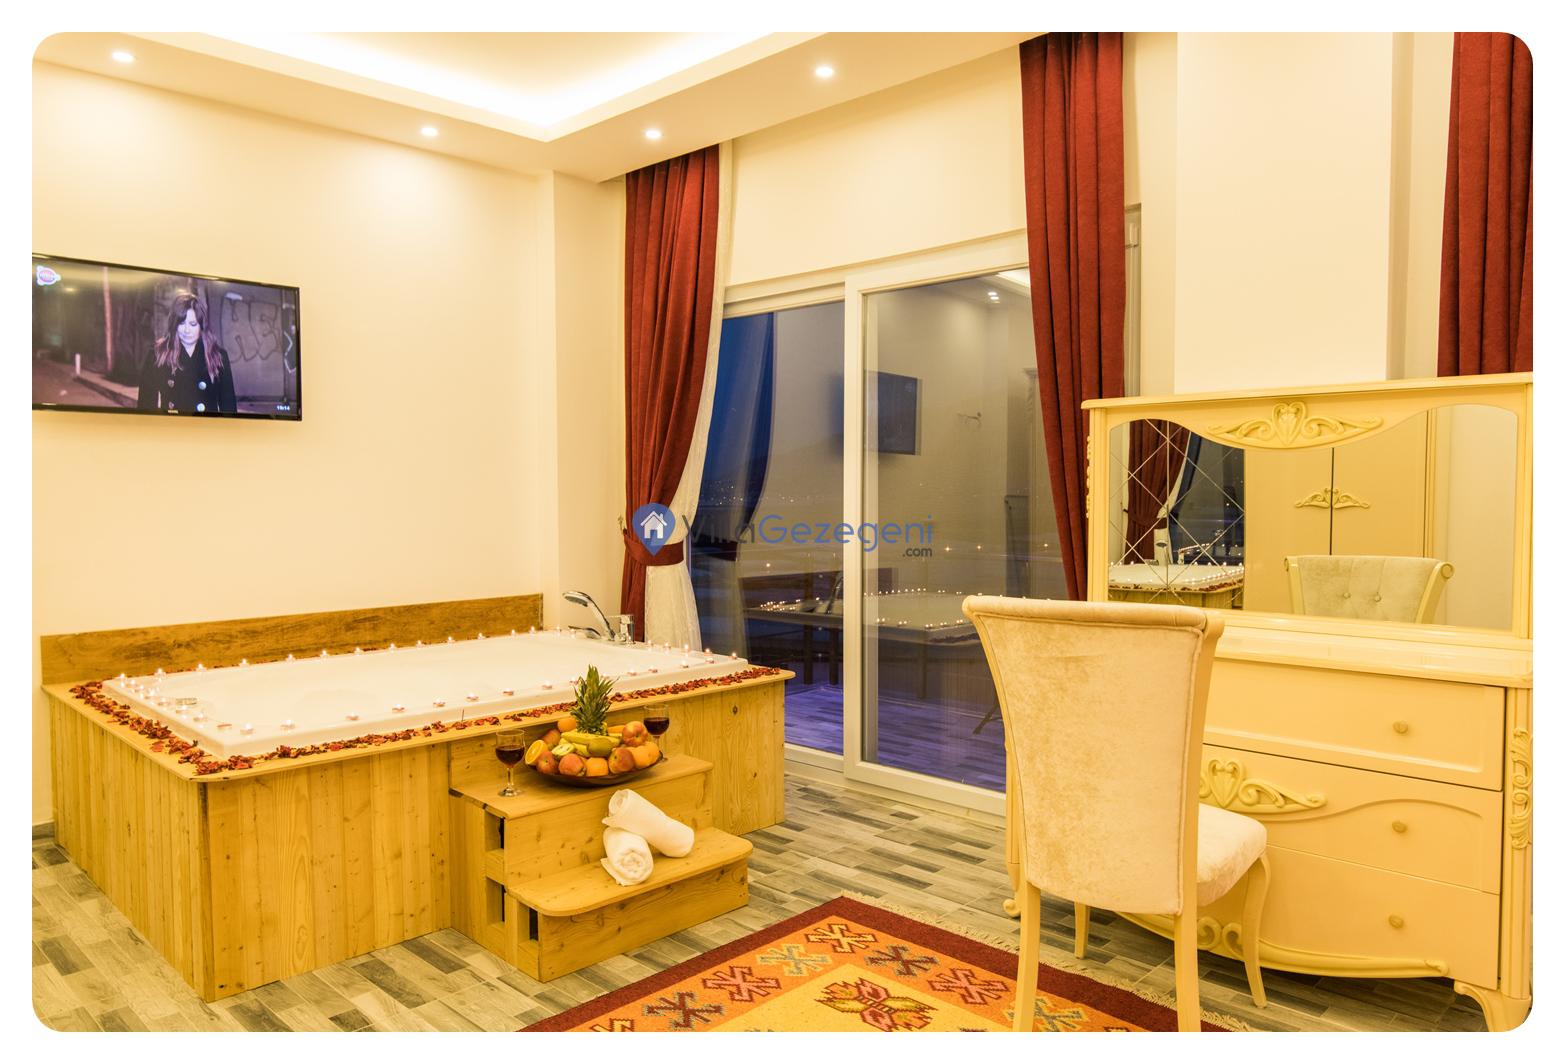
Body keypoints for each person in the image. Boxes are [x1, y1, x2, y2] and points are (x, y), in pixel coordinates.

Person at [136, 290, 237, 414]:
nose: (187, 330)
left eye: (193, 324)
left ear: (202, 326)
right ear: (174, 325)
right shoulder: (157, 355)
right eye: (182, 323)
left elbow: (229, 408)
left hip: (206, 426)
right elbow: (145, 407)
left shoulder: (218, 356)